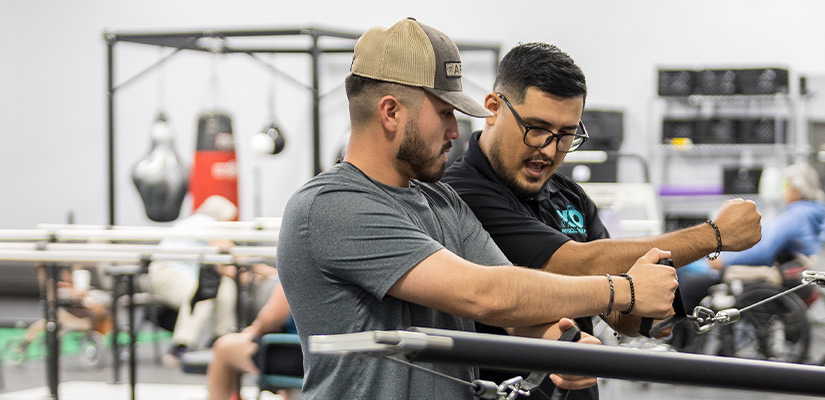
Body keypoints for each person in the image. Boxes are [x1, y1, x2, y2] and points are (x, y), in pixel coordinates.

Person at [277, 18, 678, 400]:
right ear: (391, 112)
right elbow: (486, 294)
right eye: (445, 113)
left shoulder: (443, 202)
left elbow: (513, 305)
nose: (456, 131)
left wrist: (562, 344)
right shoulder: (332, 206)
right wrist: (622, 290)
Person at [441, 42, 762, 396]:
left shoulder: (568, 194)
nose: (548, 149)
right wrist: (715, 235)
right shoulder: (459, 194)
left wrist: (654, 312)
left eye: (566, 135)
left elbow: (618, 310)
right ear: (493, 108)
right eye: (536, 128)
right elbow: (579, 264)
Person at [677, 163, 825, 310]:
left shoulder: (795, 216)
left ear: (797, 189)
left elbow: (762, 250)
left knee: (689, 283)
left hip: (764, 279)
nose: (784, 190)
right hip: (792, 281)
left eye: (787, 185)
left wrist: (722, 260)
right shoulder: (811, 213)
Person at [147, 194, 239, 367]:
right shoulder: (206, 223)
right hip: (167, 272)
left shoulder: (193, 222)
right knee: (202, 294)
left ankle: (221, 338)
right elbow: (232, 250)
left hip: (183, 273)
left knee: (225, 286)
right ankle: (181, 345)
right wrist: (261, 269)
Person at [206, 274, 297, 400]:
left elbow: (273, 317)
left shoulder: (296, 267)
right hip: (315, 351)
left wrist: (255, 329)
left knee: (223, 347)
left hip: (298, 352)